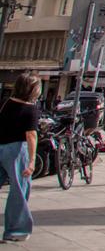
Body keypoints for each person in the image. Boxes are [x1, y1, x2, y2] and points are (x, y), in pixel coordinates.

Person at [0, 72, 41, 242]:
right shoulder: (30, 109)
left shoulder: (4, 103)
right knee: (19, 189)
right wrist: (31, 161)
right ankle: (15, 231)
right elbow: (31, 135)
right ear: (32, 90)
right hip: (16, 150)